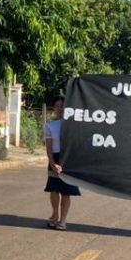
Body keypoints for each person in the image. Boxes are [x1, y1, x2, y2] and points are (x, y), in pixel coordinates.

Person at [43, 94, 80, 231]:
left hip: (69, 159)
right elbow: (49, 147)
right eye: (57, 106)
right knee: (53, 189)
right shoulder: (49, 126)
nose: (60, 108)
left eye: (62, 106)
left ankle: (63, 221)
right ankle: (55, 213)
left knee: (66, 191)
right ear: (54, 108)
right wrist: (52, 163)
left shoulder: (74, 125)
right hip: (55, 158)